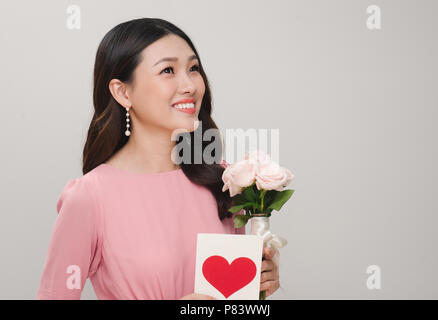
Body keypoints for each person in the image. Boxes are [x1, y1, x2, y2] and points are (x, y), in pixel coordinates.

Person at [36, 18, 279, 300]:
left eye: (193, 68)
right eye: (168, 70)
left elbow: (233, 299)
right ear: (123, 92)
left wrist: (259, 286)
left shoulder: (226, 182)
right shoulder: (89, 197)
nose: (189, 85)